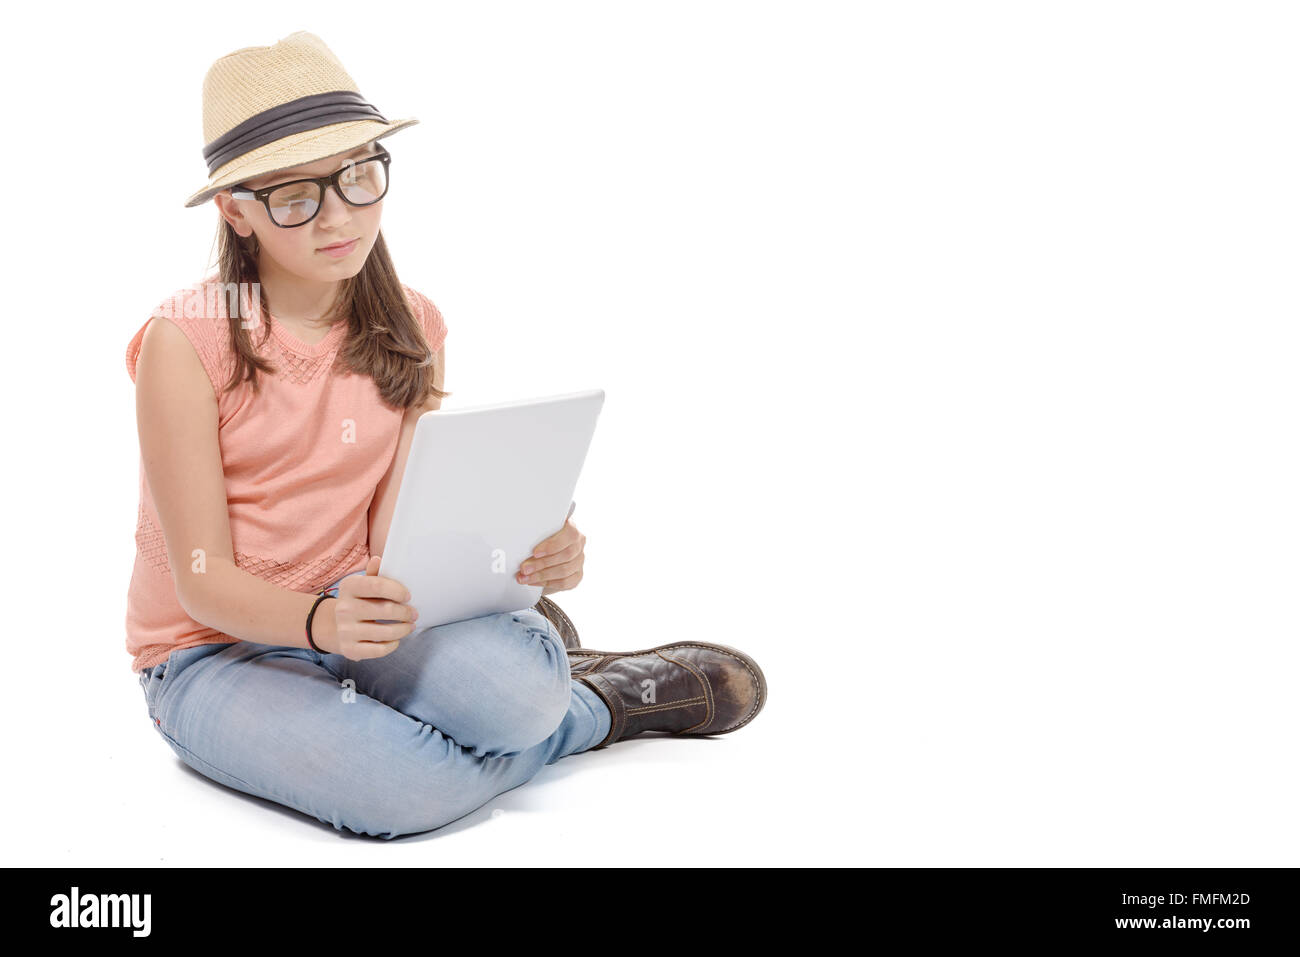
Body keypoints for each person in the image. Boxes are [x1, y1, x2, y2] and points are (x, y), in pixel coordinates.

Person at [128, 31, 767, 840]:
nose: (340, 217)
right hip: (215, 651)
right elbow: (201, 580)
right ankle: (594, 709)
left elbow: (398, 535)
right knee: (404, 791)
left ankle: (540, 686)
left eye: (359, 177)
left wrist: (522, 557)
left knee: (519, 693)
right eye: (296, 197)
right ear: (236, 210)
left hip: (370, 611)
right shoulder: (186, 340)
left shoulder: (412, 325)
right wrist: (321, 625)